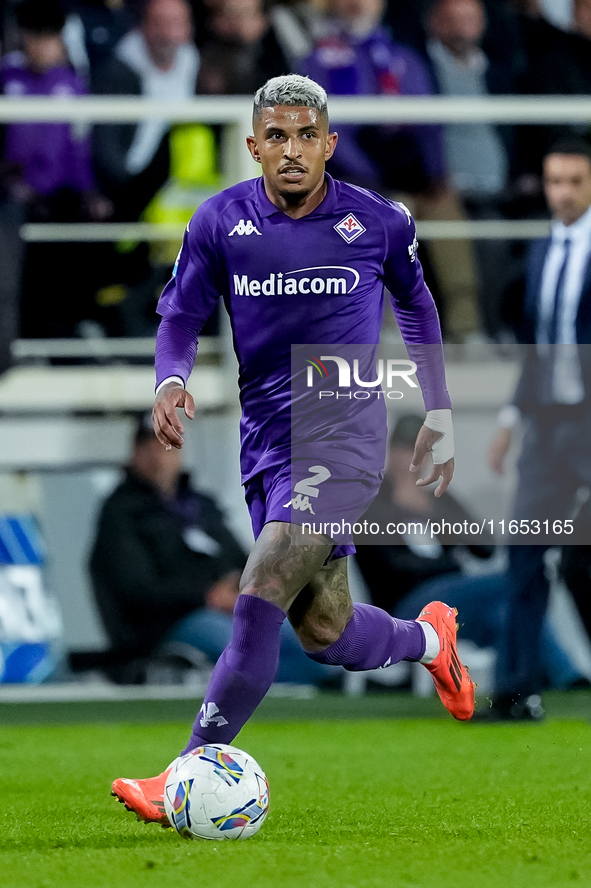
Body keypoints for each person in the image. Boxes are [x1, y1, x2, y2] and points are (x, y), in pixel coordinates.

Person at [111, 74, 473, 826]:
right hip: (265, 442)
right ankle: (425, 638)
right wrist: (171, 380)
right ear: (253, 146)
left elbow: (416, 301)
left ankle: (182, 770)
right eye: (275, 136)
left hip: (340, 433)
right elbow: (178, 316)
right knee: (325, 632)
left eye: (306, 135)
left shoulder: (375, 222)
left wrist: (437, 408)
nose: (291, 150)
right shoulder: (219, 223)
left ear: (329, 143)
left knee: (261, 589)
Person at [89, 416, 334, 684]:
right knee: (246, 650)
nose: (159, 458)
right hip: (171, 622)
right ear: (134, 453)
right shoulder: (121, 514)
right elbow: (137, 590)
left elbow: (243, 559)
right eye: (150, 448)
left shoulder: (200, 506)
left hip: (232, 608)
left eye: (167, 447)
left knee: (307, 639)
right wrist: (206, 595)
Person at [488, 137, 591, 719]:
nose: (564, 193)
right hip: (549, 426)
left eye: (575, 181)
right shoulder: (543, 249)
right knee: (524, 550)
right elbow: (534, 345)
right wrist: (509, 419)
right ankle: (516, 689)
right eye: (555, 182)